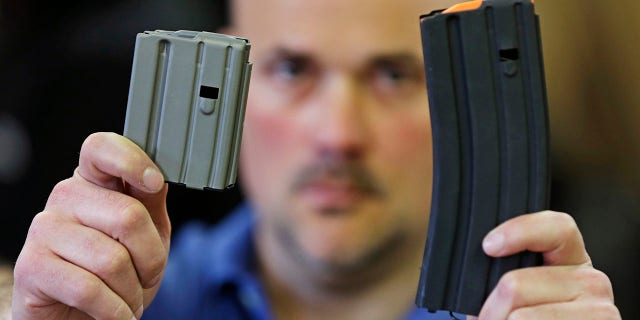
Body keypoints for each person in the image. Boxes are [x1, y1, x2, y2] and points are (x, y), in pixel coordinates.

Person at [11, 0, 620, 319]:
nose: (337, 134)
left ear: (468, 91)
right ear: (227, 85)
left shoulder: (541, 310)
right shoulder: (120, 304)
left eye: (392, 73)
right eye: (293, 69)